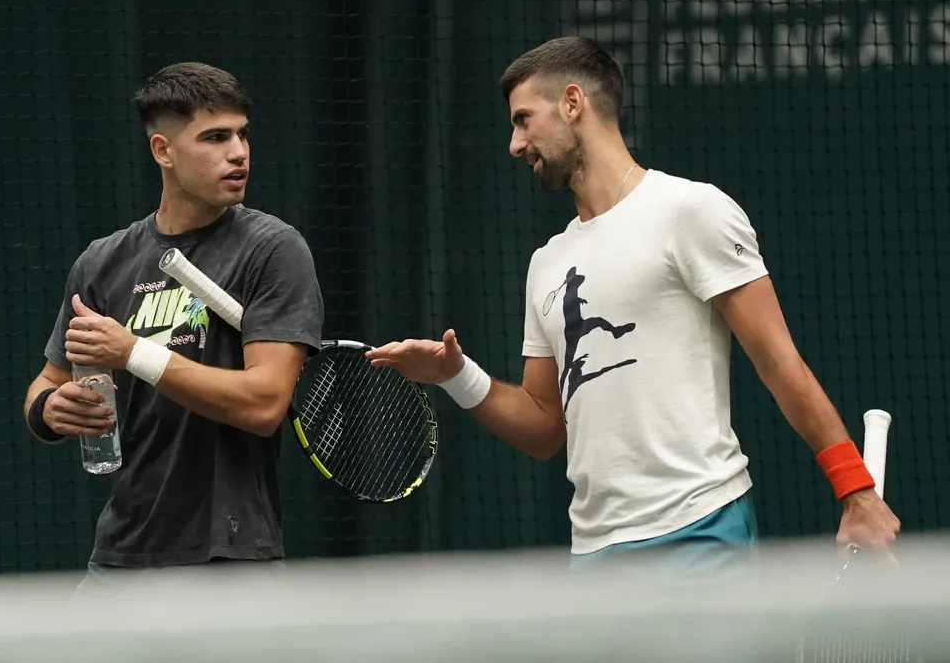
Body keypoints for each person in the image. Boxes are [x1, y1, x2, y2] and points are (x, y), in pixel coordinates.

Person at [365, 36, 900, 579]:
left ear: (572, 103)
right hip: (594, 555)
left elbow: (778, 363)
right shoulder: (545, 264)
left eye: (524, 119)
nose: (514, 143)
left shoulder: (690, 211)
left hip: (702, 531)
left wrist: (855, 490)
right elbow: (545, 427)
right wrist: (456, 374)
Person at [22, 62, 324, 595]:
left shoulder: (273, 250)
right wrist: (50, 409)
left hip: (229, 560)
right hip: (119, 558)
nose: (239, 152)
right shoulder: (101, 263)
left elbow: (264, 404)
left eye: (242, 134)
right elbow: (45, 385)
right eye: (215, 137)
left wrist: (134, 352)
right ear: (163, 150)